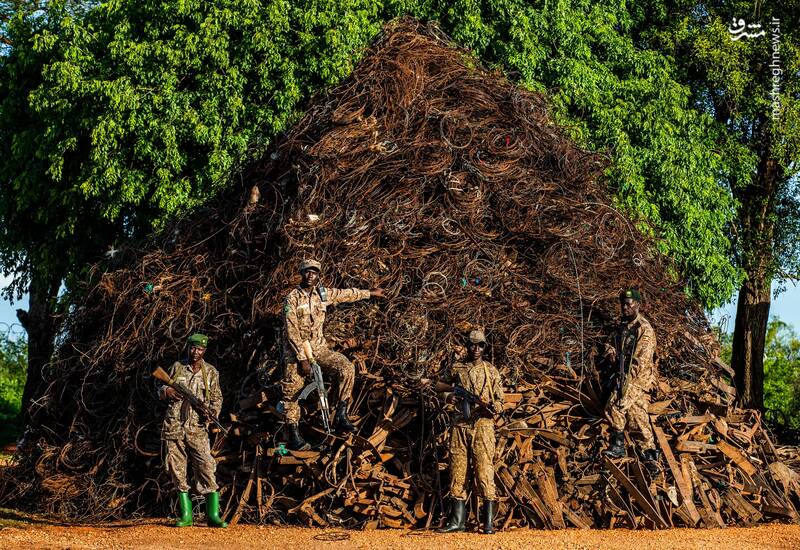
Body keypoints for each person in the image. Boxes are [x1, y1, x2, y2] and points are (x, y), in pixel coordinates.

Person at [281, 258, 383, 450]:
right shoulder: (292, 299)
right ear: (301, 274)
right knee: (292, 390)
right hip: (295, 354)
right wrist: (303, 360)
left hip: (319, 349)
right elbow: (291, 330)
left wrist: (369, 293)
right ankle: (293, 434)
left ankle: (340, 415)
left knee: (346, 368)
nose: (311, 275)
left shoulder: (322, 294)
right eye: (307, 272)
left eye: (315, 272)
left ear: (318, 276)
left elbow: (345, 294)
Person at [438, 330, 504, 535]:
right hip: (460, 424)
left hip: (483, 425)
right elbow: (439, 387)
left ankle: (488, 524)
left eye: (480, 345)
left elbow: (501, 401)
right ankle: (458, 521)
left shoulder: (491, 370)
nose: (476, 349)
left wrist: (493, 407)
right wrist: (450, 397)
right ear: (467, 345)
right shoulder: (457, 367)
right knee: (457, 471)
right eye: (473, 344)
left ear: (485, 347)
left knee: (485, 471)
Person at [159, 333, 227, 528]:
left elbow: (217, 398)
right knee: (176, 469)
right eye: (193, 348)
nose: (196, 352)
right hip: (174, 426)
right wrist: (167, 391)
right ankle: (186, 515)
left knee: (206, 466)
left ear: (204, 351)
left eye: (200, 349)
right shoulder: (177, 367)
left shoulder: (210, 372)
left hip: (197, 428)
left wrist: (212, 412)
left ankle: (213, 515)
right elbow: (160, 388)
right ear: (188, 347)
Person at [603, 289, 660, 475]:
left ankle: (618, 445)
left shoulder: (644, 329)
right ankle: (650, 457)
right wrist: (611, 353)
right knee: (637, 417)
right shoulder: (622, 326)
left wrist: (625, 379)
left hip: (638, 379)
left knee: (616, 404)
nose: (625, 307)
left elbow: (640, 361)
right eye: (623, 304)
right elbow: (610, 343)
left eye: (629, 304)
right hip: (624, 374)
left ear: (638, 305)